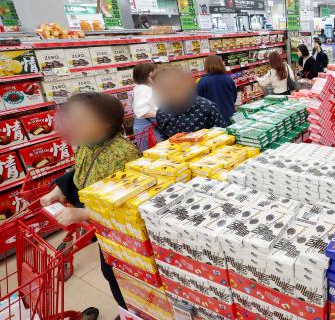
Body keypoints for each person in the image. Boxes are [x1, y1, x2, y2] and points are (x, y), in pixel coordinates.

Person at [40, 92, 140, 317]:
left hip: (121, 234)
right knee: (110, 271)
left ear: (105, 124)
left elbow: (126, 202)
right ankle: (126, 310)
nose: (70, 125)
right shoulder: (87, 144)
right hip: (101, 229)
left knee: (119, 273)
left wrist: (82, 213)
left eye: (80, 120)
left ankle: (131, 311)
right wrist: (59, 190)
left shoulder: (123, 154)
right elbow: (80, 171)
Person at [154, 67, 227, 139]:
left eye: (176, 87)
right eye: (166, 90)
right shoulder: (162, 113)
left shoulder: (207, 107)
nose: (172, 93)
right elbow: (165, 141)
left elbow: (225, 136)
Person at [196, 55, 237, 125]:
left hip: (213, 119)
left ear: (206, 66)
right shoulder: (228, 78)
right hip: (230, 115)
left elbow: (199, 102)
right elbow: (234, 96)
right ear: (221, 64)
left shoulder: (202, 81)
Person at [132, 62, 160, 149]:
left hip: (146, 124)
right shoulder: (144, 89)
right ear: (149, 76)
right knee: (154, 150)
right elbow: (142, 112)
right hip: (146, 126)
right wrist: (162, 114)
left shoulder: (141, 88)